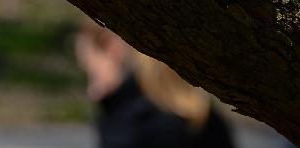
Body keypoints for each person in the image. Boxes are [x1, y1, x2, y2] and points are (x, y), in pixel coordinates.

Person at [75, 22, 235, 148]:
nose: (91, 92)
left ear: (112, 49)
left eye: (92, 75)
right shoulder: (202, 115)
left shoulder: (131, 126)